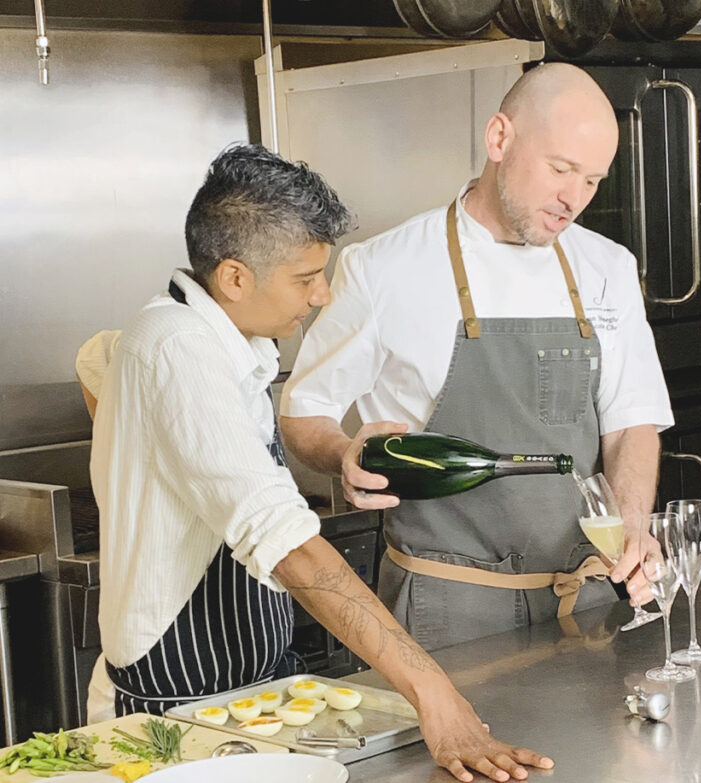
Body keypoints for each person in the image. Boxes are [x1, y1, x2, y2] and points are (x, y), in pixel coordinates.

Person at [86, 143, 552, 783]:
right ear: (235, 278)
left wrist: (343, 454)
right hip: (176, 700)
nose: (323, 295)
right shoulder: (176, 349)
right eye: (306, 279)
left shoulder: (228, 344)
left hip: (247, 685)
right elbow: (289, 546)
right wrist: (432, 692)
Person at [279, 63, 673, 650]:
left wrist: (634, 526)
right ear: (499, 138)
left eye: (592, 180)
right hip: (446, 608)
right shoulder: (384, 268)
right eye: (561, 169)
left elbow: (630, 424)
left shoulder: (608, 268)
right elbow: (302, 414)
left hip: (585, 600)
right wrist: (344, 453)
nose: (574, 199)